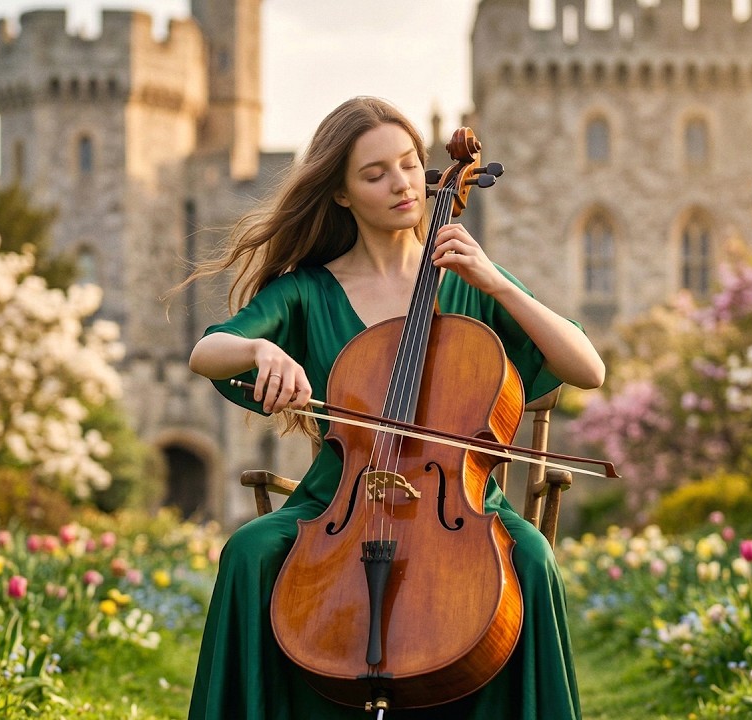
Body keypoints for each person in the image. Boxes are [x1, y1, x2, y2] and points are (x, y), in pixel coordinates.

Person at [181, 96, 605, 720]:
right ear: (342, 194)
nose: (402, 184)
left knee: (533, 560)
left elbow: (587, 368)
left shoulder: (462, 275)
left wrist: (498, 283)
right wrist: (259, 349)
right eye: (375, 174)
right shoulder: (307, 289)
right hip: (338, 502)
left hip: (461, 505)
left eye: (409, 164)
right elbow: (206, 352)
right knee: (248, 553)